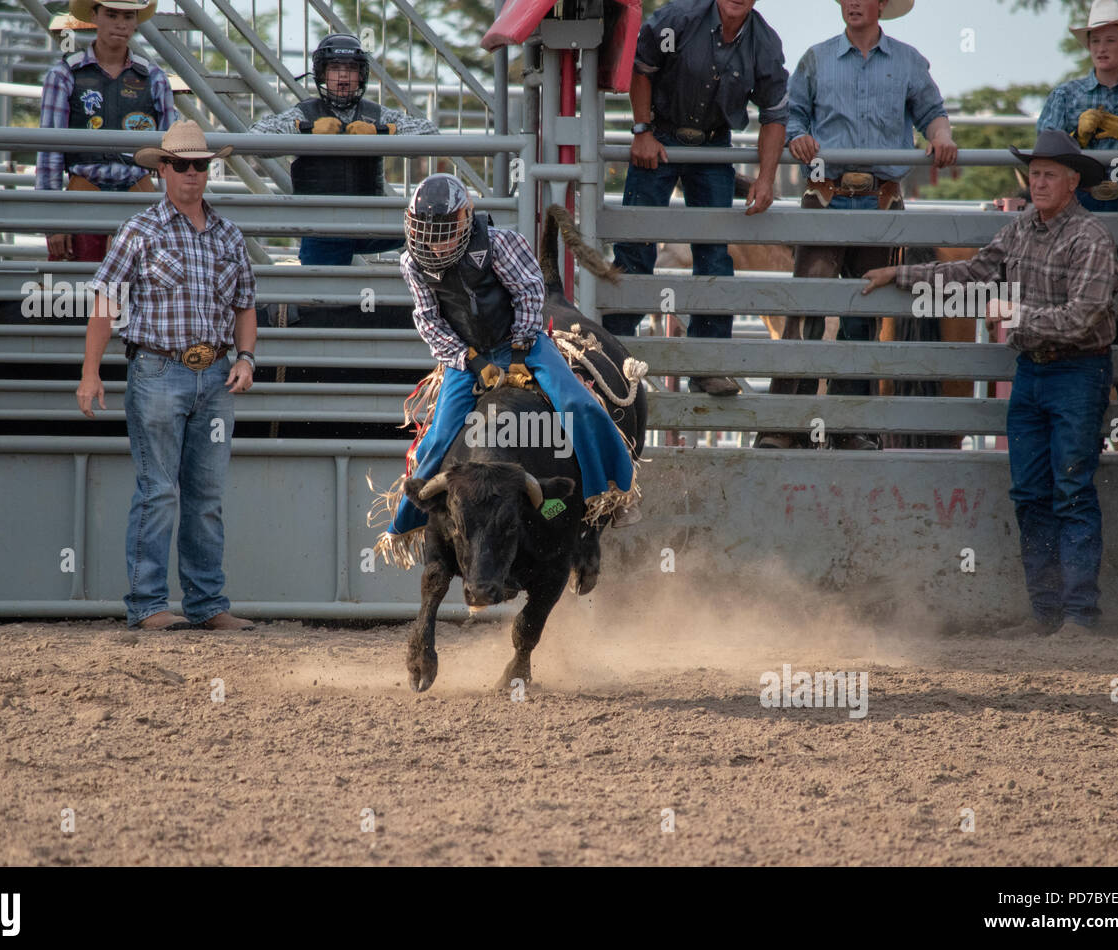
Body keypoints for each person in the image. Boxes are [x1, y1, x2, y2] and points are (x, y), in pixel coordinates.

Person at [861, 131, 1118, 638]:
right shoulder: (1023, 227)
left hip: (1077, 371)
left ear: (1072, 184)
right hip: (1036, 372)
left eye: (1049, 175)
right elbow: (975, 270)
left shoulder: (1091, 239)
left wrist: (1018, 315)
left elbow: (1085, 318)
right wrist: (901, 275)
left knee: (1070, 490)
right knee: (1030, 493)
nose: (1039, 183)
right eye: (1035, 174)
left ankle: (1078, 615)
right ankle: (1049, 613)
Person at [378, 174, 639, 559]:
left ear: (465, 222)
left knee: (579, 406)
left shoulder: (501, 244)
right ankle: (408, 523)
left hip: (526, 344)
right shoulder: (412, 264)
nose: (434, 243)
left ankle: (614, 490)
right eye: (426, 232)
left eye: (444, 231)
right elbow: (429, 321)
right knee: (436, 438)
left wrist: (518, 350)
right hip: (466, 357)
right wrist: (471, 360)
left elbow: (531, 293)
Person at [75, 121, 258, 631]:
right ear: (162, 170)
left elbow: (245, 306)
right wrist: (91, 372)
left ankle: (205, 604)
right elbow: (105, 303)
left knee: (205, 496)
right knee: (159, 492)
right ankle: (149, 604)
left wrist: (245, 358)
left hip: (215, 372)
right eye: (182, 165)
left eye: (200, 165)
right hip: (156, 368)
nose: (192, 174)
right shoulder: (140, 230)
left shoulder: (228, 234)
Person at [756, 0, 958, 450]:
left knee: (862, 316)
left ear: (881, 5)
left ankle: (851, 428)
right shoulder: (815, 58)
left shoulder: (908, 61)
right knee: (807, 309)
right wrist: (798, 136)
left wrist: (941, 135)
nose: (852, 3)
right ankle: (785, 428)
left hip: (880, 198)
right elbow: (791, 115)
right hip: (825, 193)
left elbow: (932, 112)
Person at [603, 0, 789, 397]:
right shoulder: (678, 19)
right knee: (636, 248)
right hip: (662, 135)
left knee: (715, 256)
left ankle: (707, 364)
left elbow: (775, 115)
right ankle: (609, 356)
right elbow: (642, 68)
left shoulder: (765, 43)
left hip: (711, 146)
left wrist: (767, 177)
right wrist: (643, 130)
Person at [1037, 0, 1118, 455]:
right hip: (1081, 216)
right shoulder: (1066, 96)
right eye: (1095, 40)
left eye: (1109, 39)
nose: (1101, 48)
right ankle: (1081, 428)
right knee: (1080, 320)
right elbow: (1043, 153)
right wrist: (1074, 143)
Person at [248, 33, 439, 265]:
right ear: (322, 74)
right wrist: (305, 130)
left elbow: (431, 134)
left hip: (370, 221)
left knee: (434, 231)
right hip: (321, 226)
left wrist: (383, 132)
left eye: (350, 69)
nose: (342, 76)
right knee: (323, 296)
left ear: (361, 76)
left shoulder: (377, 115)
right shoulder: (305, 114)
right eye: (335, 68)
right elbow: (255, 138)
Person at [36, 0, 176, 262]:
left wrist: (171, 217)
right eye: (112, 15)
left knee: (145, 295)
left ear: (136, 21)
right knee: (78, 296)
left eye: (128, 16)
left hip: (139, 198)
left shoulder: (154, 78)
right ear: (94, 16)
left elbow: (170, 155)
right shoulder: (64, 75)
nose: (121, 24)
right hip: (84, 195)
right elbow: (49, 152)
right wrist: (53, 222)